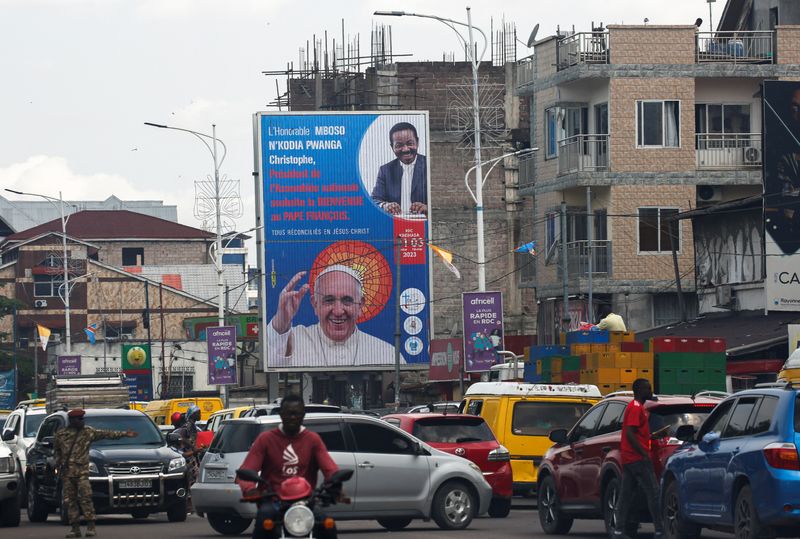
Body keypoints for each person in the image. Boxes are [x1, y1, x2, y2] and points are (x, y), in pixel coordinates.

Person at [237, 394, 339, 539]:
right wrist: (250, 489)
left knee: (327, 524)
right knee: (263, 521)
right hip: (274, 502)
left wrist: (335, 482)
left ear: (303, 415)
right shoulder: (266, 439)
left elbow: (330, 468)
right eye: (288, 413)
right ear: (281, 414)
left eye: (296, 413)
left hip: (306, 502)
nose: (292, 417)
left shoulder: (312, 440)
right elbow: (247, 470)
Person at [267, 265, 397, 367]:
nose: (338, 311)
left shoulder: (387, 353)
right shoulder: (294, 340)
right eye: (329, 300)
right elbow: (270, 365)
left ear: (360, 305)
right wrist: (280, 325)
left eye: (347, 300)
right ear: (315, 304)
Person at [54, 409, 136, 538]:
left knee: (85, 498)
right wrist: (57, 465)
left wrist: (125, 434)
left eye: (83, 418)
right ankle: (75, 528)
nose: (82, 421)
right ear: (72, 421)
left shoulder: (88, 432)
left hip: (82, 473)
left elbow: (107, 434)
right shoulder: (61, 435)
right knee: (70, 501)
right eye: (79, 419)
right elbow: (57, 452)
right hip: (67, 474)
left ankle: (91, 526)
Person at [613, 379, 668, 539]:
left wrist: (653, 436)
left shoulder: (638, 408)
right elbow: (629, 433)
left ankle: (618, 530)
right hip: (637, 459)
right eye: (647, 388)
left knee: (625, 495)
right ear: (639, 390)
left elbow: (637, 433)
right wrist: (644, 454)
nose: (650, 390)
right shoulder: (636, 407)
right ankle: (659, 530)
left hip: (630, 458)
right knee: (654, 493)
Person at [371, 122, 428, 217]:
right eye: (399, 145)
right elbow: (374, 200)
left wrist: (427, 207)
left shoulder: (429, 165)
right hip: (394, 224)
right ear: (392, 147)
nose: (405, 149)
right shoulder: (385, 170)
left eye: (410, 143)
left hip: (423, 225)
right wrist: (385, 205)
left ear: (417, 142)